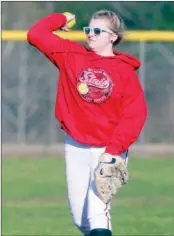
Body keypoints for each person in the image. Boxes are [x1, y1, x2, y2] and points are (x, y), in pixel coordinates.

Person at [27, 9, 147, 236]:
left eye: (97, 30)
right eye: (88, 29)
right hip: (76, 145)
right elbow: (36, 34)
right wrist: (62, 18)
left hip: (107, 148)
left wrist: (114, 151)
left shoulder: (124, 71)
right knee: (81, 218)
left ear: (113, 37)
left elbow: (134, 114)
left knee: (97, 211)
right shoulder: (71, 54)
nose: (90, 34)